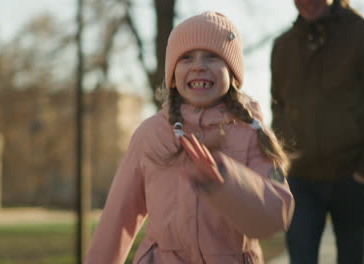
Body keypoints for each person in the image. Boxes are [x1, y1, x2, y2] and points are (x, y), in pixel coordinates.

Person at [85, 11, 294, 264]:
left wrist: (225, 181)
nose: (198, 66)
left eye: (212, 56)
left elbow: (274, 215)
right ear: (172, 74)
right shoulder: (150, 134)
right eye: (186, 58)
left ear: (233, 72)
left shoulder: (251, 133)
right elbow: (118, 218)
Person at [270, 0, 364, 263]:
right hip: (299, 181)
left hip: (351, 178)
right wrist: (280, 165)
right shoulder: (282, 45)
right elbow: (278, 107)